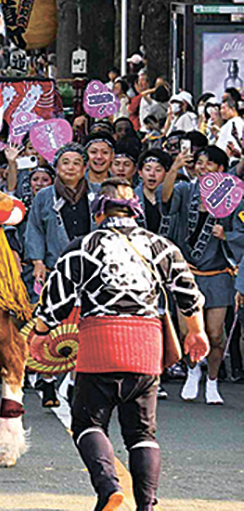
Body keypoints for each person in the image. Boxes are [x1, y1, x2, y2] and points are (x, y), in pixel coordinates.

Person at [31, 178, 208, 511]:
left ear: (99, 211)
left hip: (100, 345)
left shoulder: (82, 247)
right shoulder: (162, 246)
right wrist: (196, 332)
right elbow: (187, 294)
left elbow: (56, 300)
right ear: (135, 209)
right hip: (145, 348)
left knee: (87, 422)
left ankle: (109, 488)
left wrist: (41, 333)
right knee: (142, 433)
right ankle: (147, 505)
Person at [24, 143, 100, 406]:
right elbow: (34, 228)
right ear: (57, 167)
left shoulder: (96, 193)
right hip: (55, 266)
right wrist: (37, 262)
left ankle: (73, 381)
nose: (70, 167)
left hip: (88, 269)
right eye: (65, 162)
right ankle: (47, 381)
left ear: (84, 168)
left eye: (76, 163)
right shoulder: (45, 195)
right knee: (52, 322)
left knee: (82, 325)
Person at [161, 145, 235, 405]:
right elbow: (166, 200)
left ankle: (212, 380)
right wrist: (174, 167)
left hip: (218, 274)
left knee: (215, 334)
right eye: (200, 163)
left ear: (221, 169)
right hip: (188, 273)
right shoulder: (186, 189)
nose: (203, 168)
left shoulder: (234, 197)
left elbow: (242, 227)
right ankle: (193, 371)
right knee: (186, 332)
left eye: (210, 164)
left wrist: (228, 235)